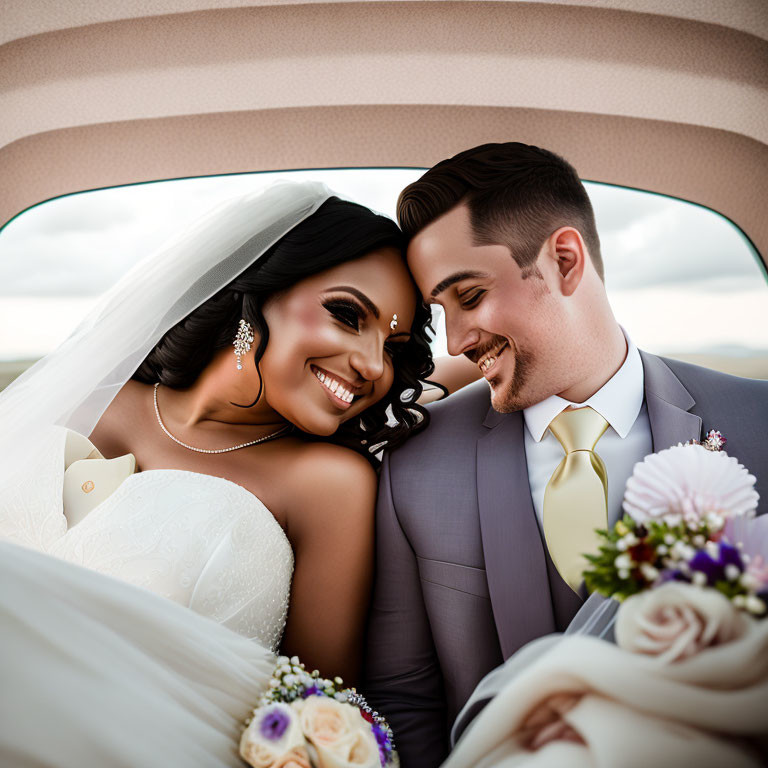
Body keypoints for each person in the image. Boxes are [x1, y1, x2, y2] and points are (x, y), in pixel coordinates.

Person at [0, 181, 477, 767]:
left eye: (393, 345)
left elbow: (316, 711)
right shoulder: (84, 396)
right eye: (348, 314)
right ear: (257, 293)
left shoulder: (327, 484)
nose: (373, 366)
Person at [363, 142, 768, 766]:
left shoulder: (759, 423)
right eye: (440, 312)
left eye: (468, 297)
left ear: (565, 259)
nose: (458, 339)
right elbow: (402, 699)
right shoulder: (415, 466)